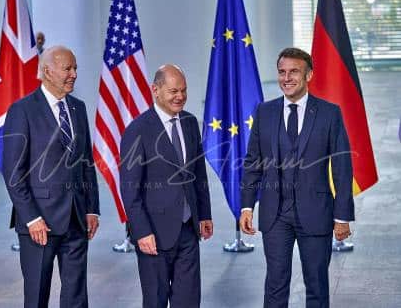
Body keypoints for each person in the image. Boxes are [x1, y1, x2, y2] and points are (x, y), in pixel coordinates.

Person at [239, 47, 354, 308]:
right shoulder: (264, 112)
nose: (286, 78)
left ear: (309, 75)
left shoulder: (329, 114)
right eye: (282, 72)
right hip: (274, 215)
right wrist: (247, 205)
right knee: (275, 285)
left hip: (316, 213)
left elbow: (342, 167)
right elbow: (252, 163)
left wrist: (342, 216)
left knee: (316, 285)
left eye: (294, 72)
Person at [2, 46, 99, 308]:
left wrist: (92, 209)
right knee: (37, 296)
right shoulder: (22, 110)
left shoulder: (78, 108)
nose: (74, 74)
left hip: (77, 219)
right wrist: (31, 217)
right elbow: (14, 172)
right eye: (68, 68)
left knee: (77, 297)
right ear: (47, 71)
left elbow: (86, 162)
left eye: (75, 68)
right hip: (39, 223)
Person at [120, 64, 213, 308]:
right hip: (154, 233)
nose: (180, 96)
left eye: (183, 90)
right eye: (173, 91)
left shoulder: (191, 123)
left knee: (189, 301)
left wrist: (204, 214)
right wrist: (141, 232)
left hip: (188, 229)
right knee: (156, 300)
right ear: (156, 90)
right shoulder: (137, 130)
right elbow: (130, 188)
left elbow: (198, 173)